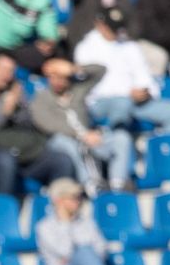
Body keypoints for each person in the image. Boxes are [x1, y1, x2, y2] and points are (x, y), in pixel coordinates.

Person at [0, 52, 72, 196]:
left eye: (11, 71)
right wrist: (5, 112)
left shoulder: (14, 91)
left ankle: (61, 208)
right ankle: (4, 209)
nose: (7, 75)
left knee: (62, 160)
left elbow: (31, 124)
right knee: (7, 161)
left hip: (25, 151)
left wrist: (19, 108)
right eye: (3, 69)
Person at [75, 7, 170, 137]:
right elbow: (87, 88)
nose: (116, 32)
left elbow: (145, 78)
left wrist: (145, 92)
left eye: (118, 27)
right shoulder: (85, 49)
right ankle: (116, 146)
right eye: (111, 28)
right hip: (101, 103)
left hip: (135, 102)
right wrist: (126, 94)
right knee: (121, 104)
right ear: (100, 25)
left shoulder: (130, 46)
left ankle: (160, 151)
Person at [35, 177, 146, 265]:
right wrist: (66, 223)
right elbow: (66, 250)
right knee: (84, 252)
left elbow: (101, 249)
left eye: (79, 197)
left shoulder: (86, 222)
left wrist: (86, 258)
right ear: (59, 200)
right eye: (73, 197)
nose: (78, 201)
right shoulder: (44, 227)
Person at [32, 58, 133, 195]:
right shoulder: (41, 98)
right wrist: (81, 135)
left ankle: (117, 182)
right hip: (63, 139)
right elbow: (47, 124)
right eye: (54, 77)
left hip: (89, 136)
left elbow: (100, 70)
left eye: (62, 77)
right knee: (67, 143)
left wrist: (73, 68)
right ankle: (89, 183)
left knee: (121, 137)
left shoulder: (77, 90)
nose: (58, 81)